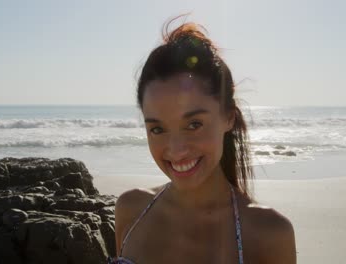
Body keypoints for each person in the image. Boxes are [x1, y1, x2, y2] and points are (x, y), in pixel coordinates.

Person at [108, 17, 296, 264]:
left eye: (194, 125)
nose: (176, 151)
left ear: (229, 117)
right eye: (157, 129)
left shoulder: (268, 233)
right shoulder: (131, 209)